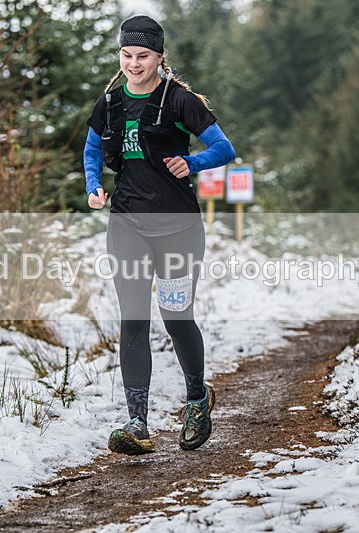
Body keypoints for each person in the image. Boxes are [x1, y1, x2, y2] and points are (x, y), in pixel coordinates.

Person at [83, 15, 235, 455]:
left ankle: (195, 399)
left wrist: (193, 163)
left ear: (159, 56)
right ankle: (136, 422)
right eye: (127, 55)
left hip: (177, 229)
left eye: (143, 56)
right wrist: (94, 185)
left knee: (175, 318)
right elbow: (93, 148)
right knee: (133, 318)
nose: (134, 64)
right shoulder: (109, 103)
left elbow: (224, 148)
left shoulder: (180, 101)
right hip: (127, 223)